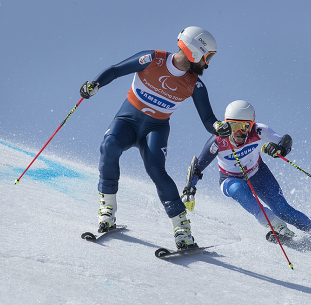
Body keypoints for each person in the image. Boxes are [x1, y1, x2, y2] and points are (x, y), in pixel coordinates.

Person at [79, 26, 231, 250]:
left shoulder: (195, 85)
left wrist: (218, 127)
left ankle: (182, 230)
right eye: (207, 57)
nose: (207, 64)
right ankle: (107, 213)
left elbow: (209, 119)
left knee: (156, 170)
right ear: (194, 51)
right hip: (127, 122)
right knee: (109, 146)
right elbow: (115, 70)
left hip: (156, 129)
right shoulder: (151, 59)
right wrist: (95, 84)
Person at [181, 100, 311, 262]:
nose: (238, 132)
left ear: (252, 125)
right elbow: (197, 166)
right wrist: (190, 188)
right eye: (234, 126)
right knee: (238, 189)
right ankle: (276, 225)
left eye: (244, 126)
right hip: (230, 179)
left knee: (283, 210)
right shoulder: (218, 141)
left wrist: (279, 149)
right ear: (226, 124)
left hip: (258, 174)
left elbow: (286, 141)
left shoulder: (260, 131)